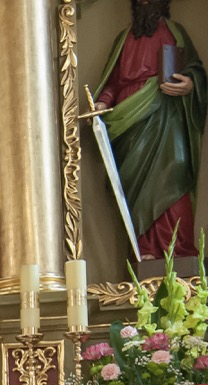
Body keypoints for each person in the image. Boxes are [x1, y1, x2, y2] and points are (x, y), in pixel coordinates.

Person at [95, 0, 206, 259]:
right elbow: (113, 81)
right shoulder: (123, 39)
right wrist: (103, 102)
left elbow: (196, 71)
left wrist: (190, 84)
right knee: (138, 189)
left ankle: (180, 251)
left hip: (169, 117)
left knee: (175, 172)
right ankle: (146, 250)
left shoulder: (176, 32)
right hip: (131, 121)